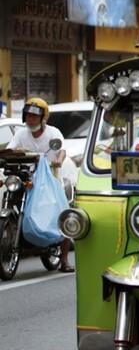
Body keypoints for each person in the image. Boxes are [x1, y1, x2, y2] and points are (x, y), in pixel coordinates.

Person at [7, 97, 73, 273]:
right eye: (28, 116)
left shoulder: (53, 133)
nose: (31, 119)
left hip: (50, 179)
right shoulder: (21, 134)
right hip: (27, 179)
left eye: (34, 116)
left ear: (43, 117)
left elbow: (62, 150)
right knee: (11, 197)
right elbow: (11, 150)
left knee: (63, 212)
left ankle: (64, 260)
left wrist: (58, 161)